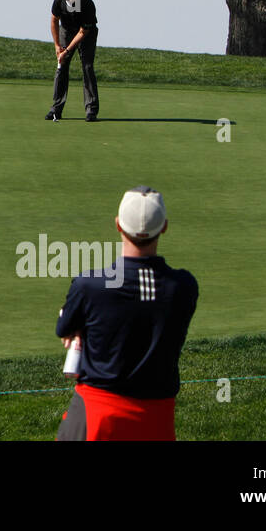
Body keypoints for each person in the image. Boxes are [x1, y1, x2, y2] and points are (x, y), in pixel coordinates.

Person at [55, 186, 198, 440]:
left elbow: (63, 327)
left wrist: (78, 321)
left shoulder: (89, 286)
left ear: (118, 225)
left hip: (97, 417)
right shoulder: (184, 286)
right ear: (164, 227)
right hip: (157, 422)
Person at [46, 0, 98, 122]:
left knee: (87, 67)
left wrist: (67, 51)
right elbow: (53, 20)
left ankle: (91, 110)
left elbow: (82, 32)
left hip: (86, 33)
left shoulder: (87, 5)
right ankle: (56, 109)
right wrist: (57, 46)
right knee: (62, 65)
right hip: (66, 30)